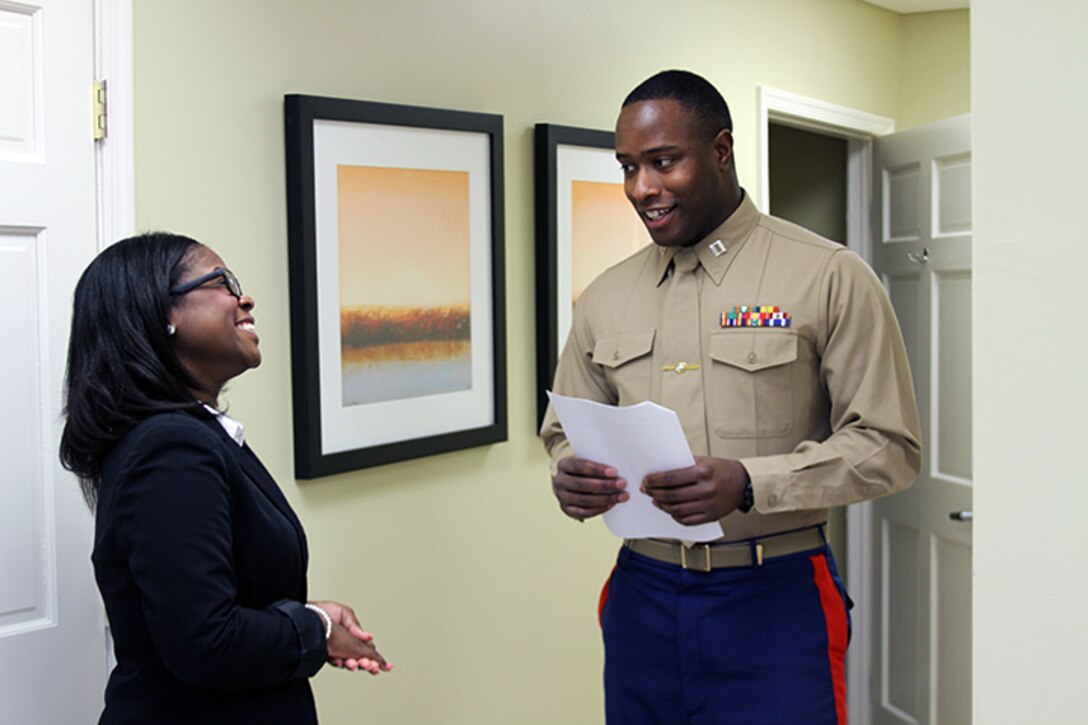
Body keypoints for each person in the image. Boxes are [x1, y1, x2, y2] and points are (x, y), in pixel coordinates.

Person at [540, 70, 922, 724]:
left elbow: (889, 446)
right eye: (628, 167)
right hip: (643, 596)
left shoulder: (828, 275)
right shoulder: (604, 295)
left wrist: (751, 482)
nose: (643, 188)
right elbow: (564, 426)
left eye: (663, 162)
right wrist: (569, 471)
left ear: (721, 150)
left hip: (775, 598)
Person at [60, 232, 391, 724]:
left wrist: (301, 615)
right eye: (221, 281)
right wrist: (313, 626)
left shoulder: (190, 434)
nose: (245, 298)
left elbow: (211, 601)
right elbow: (206, 641)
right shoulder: (169, 446)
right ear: (163, 314)